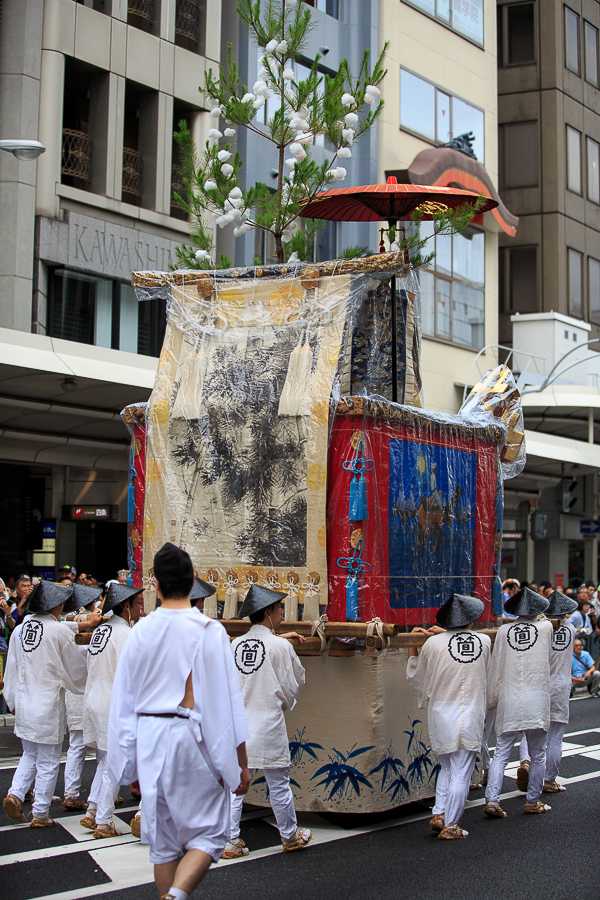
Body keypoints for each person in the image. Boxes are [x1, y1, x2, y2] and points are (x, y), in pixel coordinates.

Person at [106, 542, 250, 900]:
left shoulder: (139, 630)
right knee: (209, 836)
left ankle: (168, 895)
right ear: (194, 581)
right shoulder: (208, 630)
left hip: (150, 734)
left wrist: (127, 763)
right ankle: (176, 896)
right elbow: (228, 703)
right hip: (191, 736)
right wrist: (239, 766)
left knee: (164, 844)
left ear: (155, 584)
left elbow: (122, 702)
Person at [225, 584, 311, 858]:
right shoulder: (280, 646)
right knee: (278, 783)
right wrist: (284, 700)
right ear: (268, 612)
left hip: (239, 724)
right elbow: (295, 681)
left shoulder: (235, 645)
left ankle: (229, 840)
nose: (282, 611)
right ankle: (289, 835)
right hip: (269, 722)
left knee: (236, 786)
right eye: (278, 608)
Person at [2, 581, 87, 826]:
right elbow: (75, 668)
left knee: (29, 754)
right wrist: (87, 678)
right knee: (49, 760)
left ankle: (16, 794)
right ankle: (40, 813)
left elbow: (12, 668)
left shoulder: (20, 629)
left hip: (24, 700)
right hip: (48, 702)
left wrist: (11, 699)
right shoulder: (58, 631)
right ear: (56, 605)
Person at [407, 593, 491, 840]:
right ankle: (451, 825)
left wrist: (413, 645)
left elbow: (416, 676)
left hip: (441, 712)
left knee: (446, 765)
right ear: (471, 620)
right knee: (462, 769)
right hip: (471, 711)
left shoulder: (432, 644)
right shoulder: (484, 641)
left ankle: (440, 812)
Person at [81, 581, 144, 838]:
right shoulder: (126, 635)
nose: (141, 608)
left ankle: (93, 810)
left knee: (107, 759)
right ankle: (104, 822)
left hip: (94, 698)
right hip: (111, 703)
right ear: (126, 606)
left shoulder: (100, 632)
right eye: (138, 603)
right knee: (113, 762)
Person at [484, 586, 553, 817]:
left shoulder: (504, 631)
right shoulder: (545, 627)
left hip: (510, 697)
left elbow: (496, 666)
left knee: (501, 752)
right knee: (538, 753)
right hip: (537, 697)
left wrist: (491, 697)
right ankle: (533, 800)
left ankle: (492, 799)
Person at [520, 590, 578, 794]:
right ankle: (550, 779)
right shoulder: (571, 629)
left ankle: (526, 761)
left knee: (533, 730)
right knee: (555, 736)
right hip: (562, 684)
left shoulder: (542, 629)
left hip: (541, 683)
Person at [62, 583, 103, 810]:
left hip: (75, 689)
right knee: (100, 746)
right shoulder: (91, 623)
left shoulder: (66, 622)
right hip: (88, 687)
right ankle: (100, 792)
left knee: (76, 745)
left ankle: (71, 792)